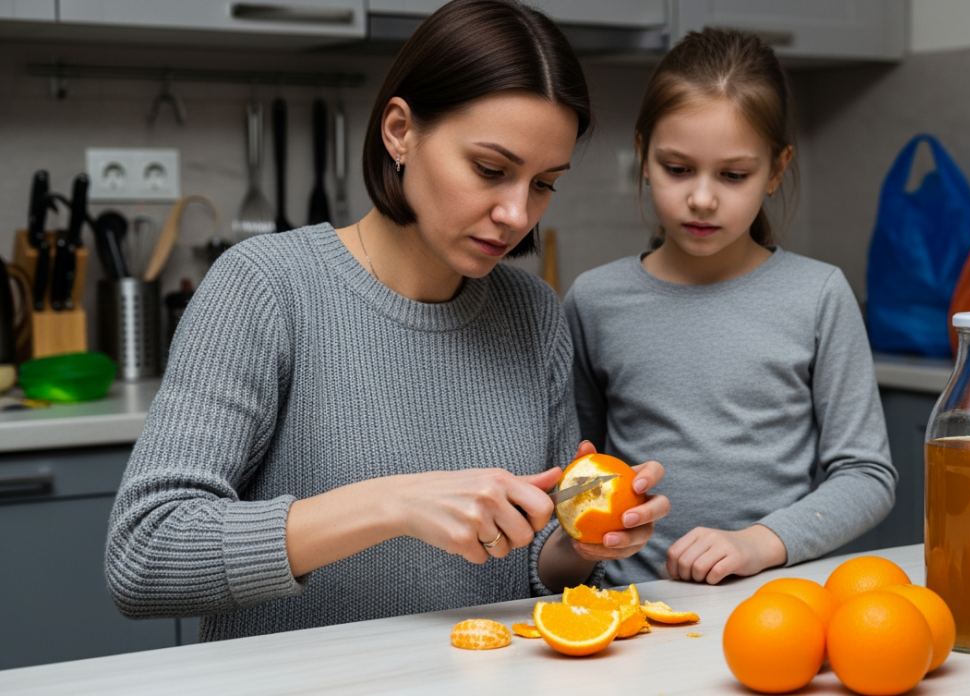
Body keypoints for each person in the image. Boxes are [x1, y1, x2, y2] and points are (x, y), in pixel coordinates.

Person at [105, 0, 668, 642]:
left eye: (544, 184)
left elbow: (526, 564)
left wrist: (581, 547)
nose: (517, 213)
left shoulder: (533, 312)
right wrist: (393, 504)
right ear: (399, 130)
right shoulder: (264, 287)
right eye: (490, 169)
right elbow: (145, 557)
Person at [563, 29, 895, 586]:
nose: (702, 198)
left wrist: (758, 545)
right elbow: (576, 468)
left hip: (773, 604)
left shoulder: (818, 295)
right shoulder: (594, 301)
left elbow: (867, 475)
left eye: (734, 175)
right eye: (677, 168)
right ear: (643, 156)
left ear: (777, 169)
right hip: (628, 610)